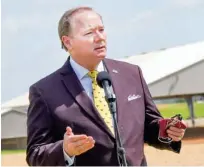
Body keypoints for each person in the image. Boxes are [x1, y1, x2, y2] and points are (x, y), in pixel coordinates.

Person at [26, 6, 187, 166]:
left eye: (101, 30)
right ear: (67, 42)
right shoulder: (44, 92)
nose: (99, 37)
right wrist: (65, 150)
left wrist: (167, 131)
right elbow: (35, 153)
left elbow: (149, 126)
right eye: (89, 33)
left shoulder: (131, 74)